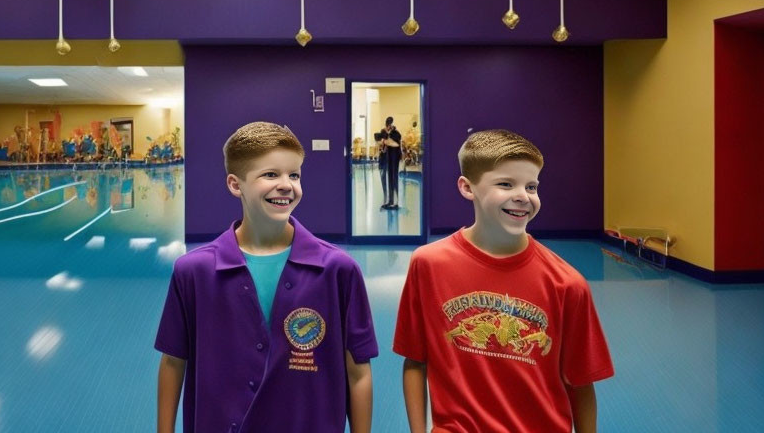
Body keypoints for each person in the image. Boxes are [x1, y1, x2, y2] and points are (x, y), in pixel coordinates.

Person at [155, 121, 377, 433]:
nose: (287, 184)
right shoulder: (194, 272)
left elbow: (359, 372)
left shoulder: (338, 270)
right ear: (235, 184)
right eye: (270, 174)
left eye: (294, 174)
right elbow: (173, 362)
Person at [393, 129, 613, 433]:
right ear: (467, 188)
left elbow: (580, 383)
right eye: (506, 184)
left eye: (532, 186)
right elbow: (415, 361)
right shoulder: (429, 265)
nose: (523, 196)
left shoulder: (567, 284)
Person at [378, 116, 402, 209]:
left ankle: (395, 202)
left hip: (394, 159)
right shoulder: (384, 133)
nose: (388, 126)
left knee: (394, 178)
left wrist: (387, 139)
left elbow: (395, 144)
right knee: (388, 179)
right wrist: (383, 141)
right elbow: (382, 145)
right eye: (388, 124)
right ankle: (388, 200)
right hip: (386, 159)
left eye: (390, 124)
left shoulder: (396, 134)